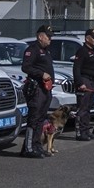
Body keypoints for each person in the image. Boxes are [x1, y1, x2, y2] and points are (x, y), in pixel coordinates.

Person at [21, 25, 56, 157]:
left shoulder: (46, 51)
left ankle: (37, 145)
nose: (50, 39)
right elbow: (26, 67)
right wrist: (41, 74)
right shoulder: (33, 49)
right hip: (36, 89)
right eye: (48, 36)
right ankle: (28, 148)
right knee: (34, 118)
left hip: (46, 89)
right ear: (40, 36)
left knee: (41, 118)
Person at [72, 28, 94, 141]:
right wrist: (80, 83)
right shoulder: (82, 51)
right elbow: (76, 68)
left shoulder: (93, 51)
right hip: (85, 81)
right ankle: (80, 132)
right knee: (82, 108)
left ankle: (86, 131)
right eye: (93, 38)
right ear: (87, 38)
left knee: (88, 108)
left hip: (93, 82)